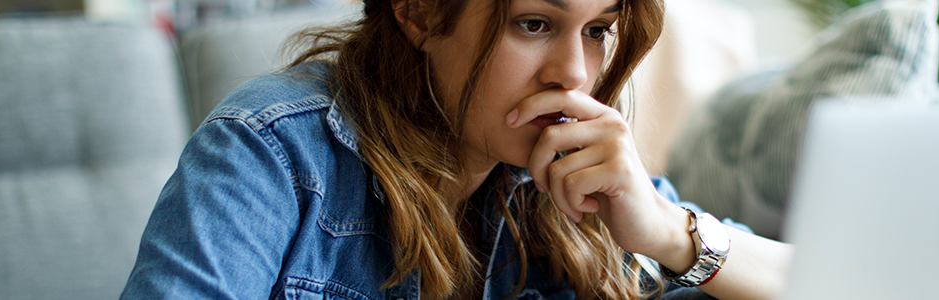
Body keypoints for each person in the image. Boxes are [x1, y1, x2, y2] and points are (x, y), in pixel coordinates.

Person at [120, 0, 794, 298]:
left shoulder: (562, 168)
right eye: (534, 24)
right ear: (418, 11)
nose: (577, 74)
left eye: (596, 30)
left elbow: (812, 282)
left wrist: (666, 232)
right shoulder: (268, 152)